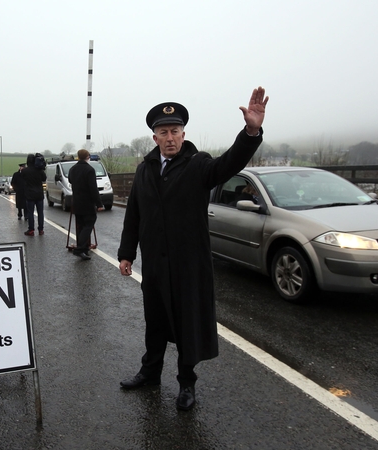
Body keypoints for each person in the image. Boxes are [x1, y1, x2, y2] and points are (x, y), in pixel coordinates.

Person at [117, 87, 269, 411]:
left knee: (188, 325)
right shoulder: (145, 169)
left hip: (188, 265)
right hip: (155, 265)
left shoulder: (199, 165)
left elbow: (229, 164)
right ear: (155, 137)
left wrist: (250, 132)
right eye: (163, 132)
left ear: (183, 134)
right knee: (155, 322)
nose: (170, 137)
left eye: (175, 131)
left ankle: (187, 384)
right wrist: (126, 253)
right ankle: (150, 372)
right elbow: (134, 214)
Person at [68, 149, 104, 260]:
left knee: (80, 226)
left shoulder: (72, 169)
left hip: (76, 201)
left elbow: (70, 181)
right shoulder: (89, 170)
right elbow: (93, 188)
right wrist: (99, 204)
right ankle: (80, 249)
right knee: (88, 225)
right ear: (87, 157)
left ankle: (83, 248)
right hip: (87, 202)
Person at [22, 154, 47, 236]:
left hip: (29, 194)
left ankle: (31, 229)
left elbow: (22, 179)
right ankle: (41, 229)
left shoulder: (25, 171)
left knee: (30, 212)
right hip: (39, 194)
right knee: (40, 212)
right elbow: (44, 178)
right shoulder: (40, 170)